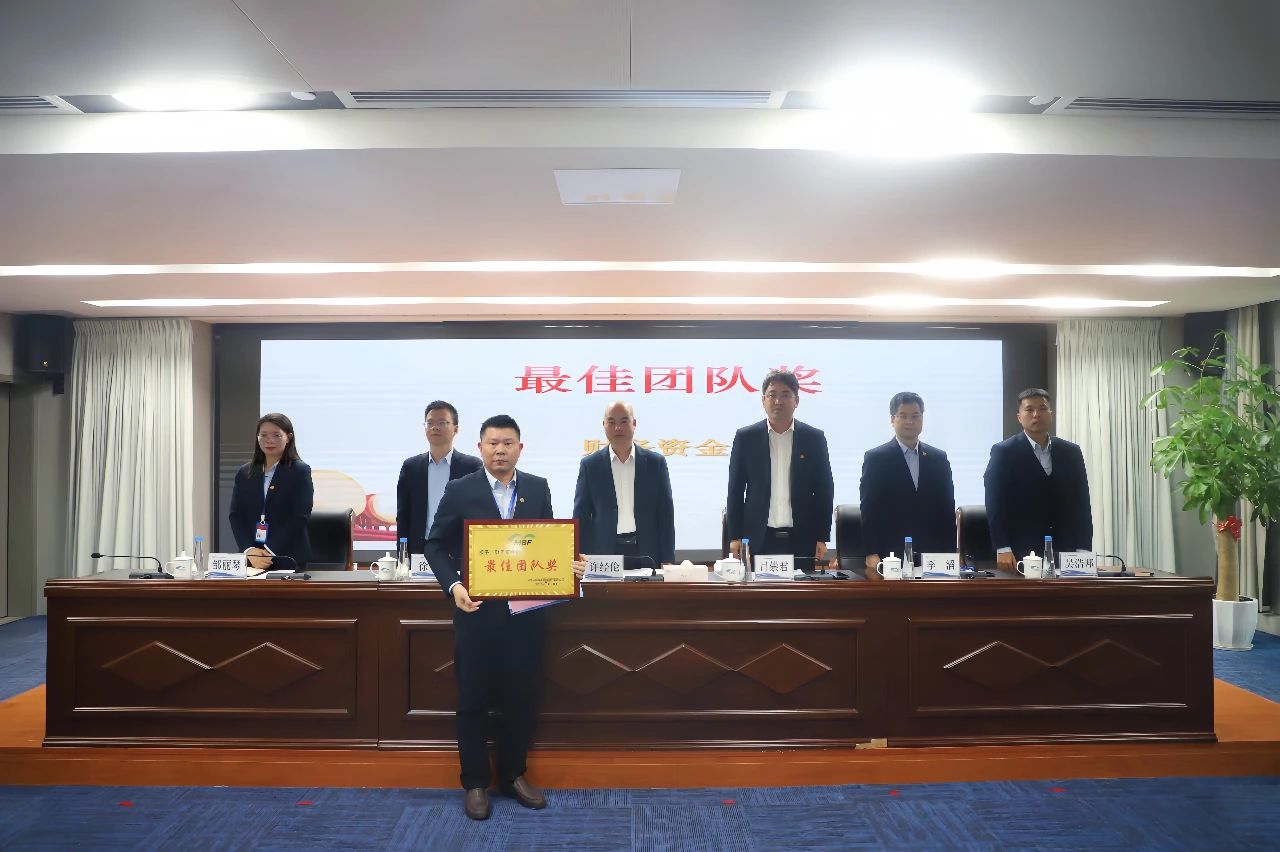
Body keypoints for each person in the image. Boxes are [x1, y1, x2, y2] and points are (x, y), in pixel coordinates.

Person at [424, 414, 584, 821]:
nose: (500, 450)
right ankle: (476, 783)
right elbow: (435, 545)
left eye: (507, 443)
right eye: (493, 443)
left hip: (526, 616)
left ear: (519, 448)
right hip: (476, 613)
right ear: (479, 448)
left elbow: (549, 543)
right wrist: (453, 586)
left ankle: (513, 775)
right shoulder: (461, 489)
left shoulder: (537, 487)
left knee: (520, 699)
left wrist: (571, 565)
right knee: (473, 700)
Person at [726, 368, 834, 567]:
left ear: (797, 401)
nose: (778, 401)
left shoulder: (814, 438)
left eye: (786, 395)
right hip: (758, 538)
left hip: (802, 538)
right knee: (757, 588)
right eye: (772, 395)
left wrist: (822, 536)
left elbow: (824, 491)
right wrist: (734, 536)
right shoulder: (746, 438)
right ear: (763, 400)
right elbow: (735, 490)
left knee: (801, 586)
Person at [983, 388, 1093, 570]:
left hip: (1066, 549)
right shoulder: (1004, 452)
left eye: (1042, 408)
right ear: (1019, 417)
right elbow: (995, 503)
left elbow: (1082, 502)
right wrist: (1002, 547)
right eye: (1029, 409)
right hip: (1021, 550)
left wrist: (1084, 547)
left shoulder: (1071, 452)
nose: (1036, 414)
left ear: (1051, 415)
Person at [860, 392, 956, 573]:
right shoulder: (876, 458)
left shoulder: (938, 458)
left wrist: (951, 552)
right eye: (903, 416)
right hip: (890, 552)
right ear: (892, 419)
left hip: (933, 552)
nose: (909, 421)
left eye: (915, 416)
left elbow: (947, 508)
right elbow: (869, 508)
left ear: (922, 418)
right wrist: (870, 551)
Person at [573, 400, 675, 567]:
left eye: (624, 421)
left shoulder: (655, 463)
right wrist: (579, 554)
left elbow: (665, 513)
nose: (618, 428)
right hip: (604, 553)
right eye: (611, 422)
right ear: (604, 425)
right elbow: (581, 515)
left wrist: (668, 558)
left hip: (647, 552)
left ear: (634, 423)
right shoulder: (590, 465)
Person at [395, 400, 482, 555]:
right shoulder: (411, 467)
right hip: (419, 551)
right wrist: (403, 555)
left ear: (456, 429)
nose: (435, 427)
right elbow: (403, 517)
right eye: (430, 423)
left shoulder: (472, 466)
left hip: (458, 551)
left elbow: (478, 514)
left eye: (442, 422)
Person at [229, 412, 314, 571]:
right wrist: (249, 550)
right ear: (257, 438)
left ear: (288, 437)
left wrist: (269, 551)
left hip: (288, 557)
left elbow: (300, 516)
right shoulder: (245, 472)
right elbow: (236, 515)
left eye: (276, 435)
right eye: (264, 435)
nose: (269, 440)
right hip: (252, 558)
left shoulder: (299, 471)